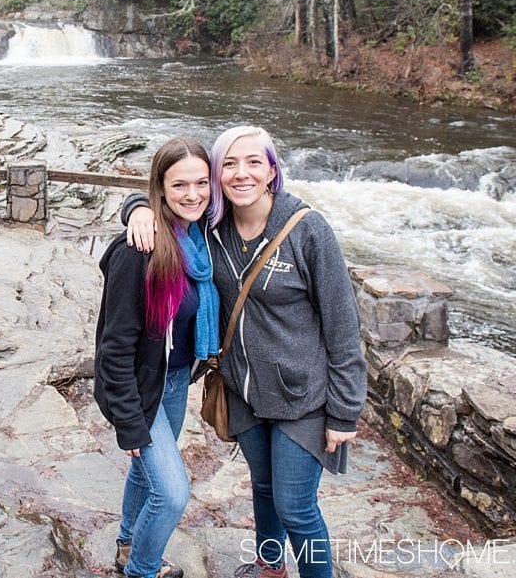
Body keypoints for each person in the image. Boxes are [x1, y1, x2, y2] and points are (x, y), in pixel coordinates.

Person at [123, 125, 366, 578]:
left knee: (296, 508)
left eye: (254, 162)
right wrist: (137, 208)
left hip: (302, 398)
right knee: (263, 488)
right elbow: (166, 197)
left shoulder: (307, 230)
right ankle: (269, 566)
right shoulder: (212, 229)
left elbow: (343, 325)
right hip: (244, 393)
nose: (241, 174)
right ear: (218, 174)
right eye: (229, 164)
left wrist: (345, 411)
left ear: (272, 170)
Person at [94, 136, 222, 578]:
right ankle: (142, 571)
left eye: (202, 183)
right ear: (161, 189)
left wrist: (136, 204)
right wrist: (129, 423)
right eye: (180, 185)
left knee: (144, 474)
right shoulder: (139, 250)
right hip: (139, 385)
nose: (193, 194)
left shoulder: (205, 236)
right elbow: (114, 349)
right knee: (170, 494)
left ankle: (128, 545)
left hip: (175, 378)